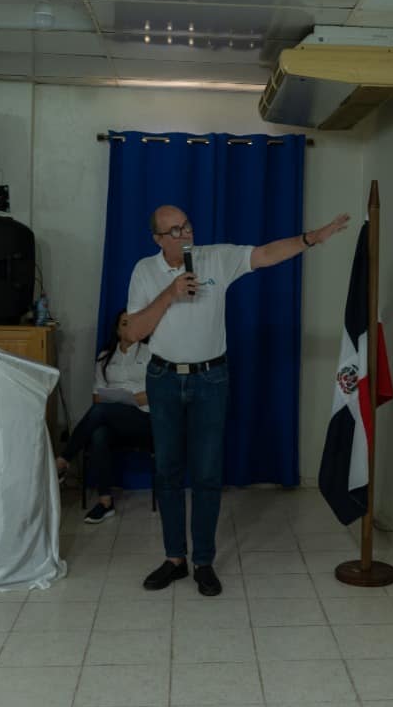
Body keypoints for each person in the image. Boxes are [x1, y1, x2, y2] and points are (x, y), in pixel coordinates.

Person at [124, 204, 350, 596]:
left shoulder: (216, 257)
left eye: (188, 225)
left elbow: (264, 254)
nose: (186, 234)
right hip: (162, 379)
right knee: (169, 473)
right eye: (175, 231)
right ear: (158, 239)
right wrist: (171, 293)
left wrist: (312, 238)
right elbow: (133, 332)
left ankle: (204, 561)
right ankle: (174, 558)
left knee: (209, 473)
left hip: (211, 379)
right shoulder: (145, 271)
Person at [56, 309, 153, 524]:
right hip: (113, 417)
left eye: (134, 323)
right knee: (99, 433)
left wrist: (130, 399)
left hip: (144, 421)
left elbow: (156, 393)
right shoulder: (104, 357)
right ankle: (105, 502)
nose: (130, 327)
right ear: (118, 330)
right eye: (125, 324)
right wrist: (121, 400)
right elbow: (97, 396)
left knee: (102, 413)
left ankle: (63, 460)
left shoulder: (150, 353)